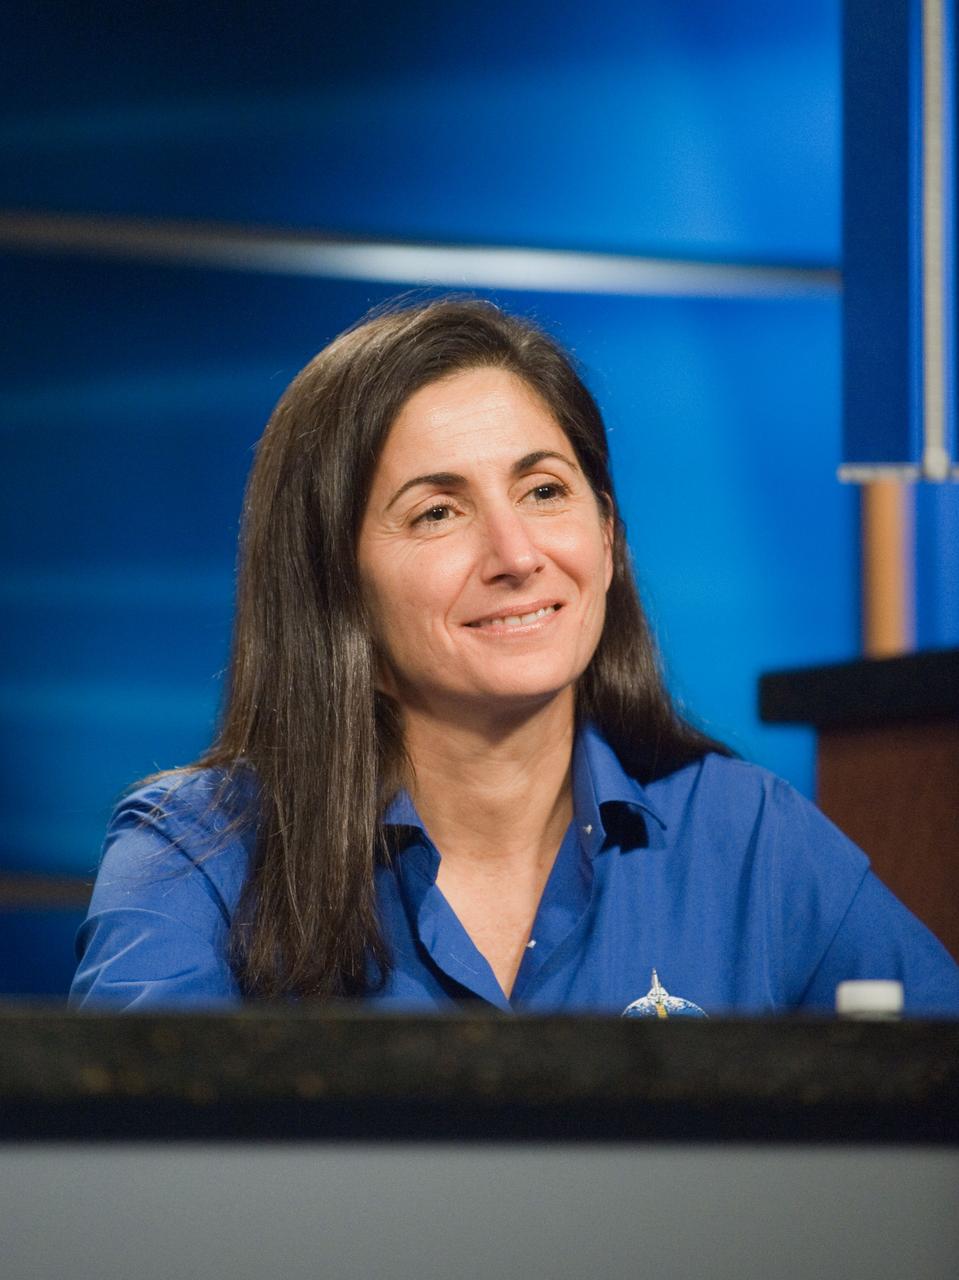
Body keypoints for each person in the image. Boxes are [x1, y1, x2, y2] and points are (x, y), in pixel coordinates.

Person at [70, 298, 959, 1014]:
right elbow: (141, 1194)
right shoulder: (198, 854)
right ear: (334, 586)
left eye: (543, 490)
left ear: (608, 539)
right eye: (437, 512)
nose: (516, 554)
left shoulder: (748, 839)